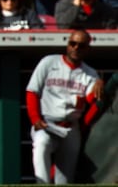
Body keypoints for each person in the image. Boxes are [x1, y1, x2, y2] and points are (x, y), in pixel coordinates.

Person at [26, 29, 103, 184]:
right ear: (67, 44)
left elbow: (91, 101)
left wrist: (99, 83)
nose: (75, 48)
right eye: (72, 43)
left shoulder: (90, 73)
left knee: (65, 179)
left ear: (87, 49)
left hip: (71, 128)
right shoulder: (49, 62)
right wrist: (34, 118)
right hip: (47, 122)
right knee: (41, 145)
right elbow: (32, 91)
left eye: (81, 45)